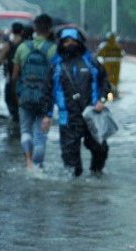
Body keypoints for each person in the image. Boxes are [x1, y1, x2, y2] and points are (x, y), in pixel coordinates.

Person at [41, 27, 110, 177]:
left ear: (79, 42)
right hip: (68, 118)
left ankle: (96, 177)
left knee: (101, 150)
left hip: (92, 115)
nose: (70, 44)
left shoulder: (91, 62)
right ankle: (74, 192)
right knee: (71, 162)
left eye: (73, 41)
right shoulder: (55, 66)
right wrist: (47, 115)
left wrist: (102, 100)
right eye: (66, 41)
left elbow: (105, 83)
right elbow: (47, 92)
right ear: (61, 44)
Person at [13, 14, 56, 169]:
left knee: (25, 130)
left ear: (35, 28)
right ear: (50, 29)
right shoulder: (53, 50)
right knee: (40, 134)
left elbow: (15, 76)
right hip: (44, 99)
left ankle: (28, 161)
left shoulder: (23, 48)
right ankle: (38, 165)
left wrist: (18, 94)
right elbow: (56, 79)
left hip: (25, 96)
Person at [0, 22, 24, 123]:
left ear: (12, 31)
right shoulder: (25, 46)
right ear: (22, 32)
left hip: (11, 79)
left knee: (9, 100)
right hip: (24, 80)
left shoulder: (8, 45)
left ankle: (15, 121)